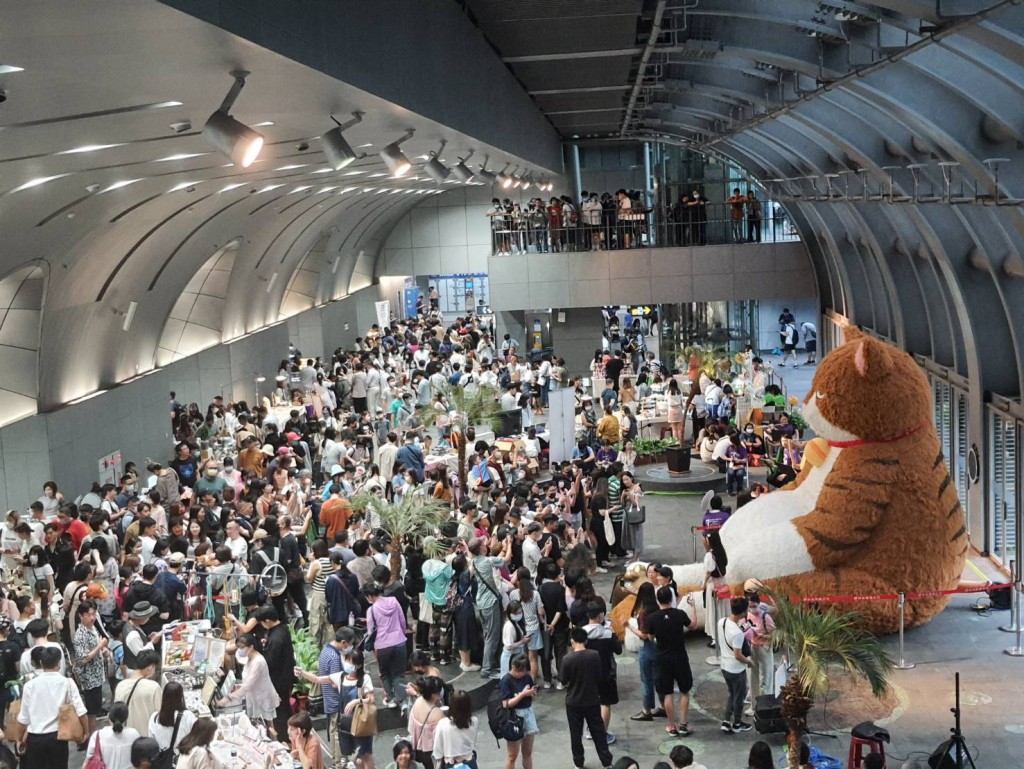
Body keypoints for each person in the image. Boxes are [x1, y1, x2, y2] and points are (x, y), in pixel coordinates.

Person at [17, 645, 87, 767]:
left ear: (41, 663)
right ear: (59, 663)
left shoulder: (29, 686)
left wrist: (19, 739)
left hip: (34, 739)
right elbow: (81, 711)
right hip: (58, 737)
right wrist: (86, 732)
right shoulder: (67, 683)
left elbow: (23, 718)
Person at [561, 626, 613, 769]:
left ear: (572, 641)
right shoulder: (594, 655)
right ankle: (606, 762)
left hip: (573, 702)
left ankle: (579, 763)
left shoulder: (567, 659)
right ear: (586, 641)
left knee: (575, 734)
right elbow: (599, 676)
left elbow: (563, 680)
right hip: (592, 699)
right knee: (598, 732)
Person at [645, 586, 694, 736]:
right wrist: (693, 608)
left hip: (662, 659)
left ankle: (672, 726)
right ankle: (683, 724)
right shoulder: (680, 614)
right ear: (671, 598)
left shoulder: (652, 618)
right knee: (685, 691)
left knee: (667, 693)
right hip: (680, 657)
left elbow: (650, 637)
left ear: (657, 600)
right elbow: (692, 626)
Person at [217, 633, 280, 732]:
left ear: (251, 647)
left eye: (242, 647)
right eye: (238, 647)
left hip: (263, 699)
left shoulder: (258, 662)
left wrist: (227, 699)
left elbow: (247, 685)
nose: (240, 650)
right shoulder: (249, 656)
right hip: (253, 696)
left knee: (266, 727)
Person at [469, 535, 512, 680]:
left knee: (488, 635)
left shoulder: (474, 561)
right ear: (481, 548)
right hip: (490, 603)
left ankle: (492, 664)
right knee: (491, 638)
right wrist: (509, 544)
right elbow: (507, 559)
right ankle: (487, 669)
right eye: (483, 544)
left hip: (481, 602)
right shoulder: (488, 561)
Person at [364, 582, 408, 708]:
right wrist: (402, 633)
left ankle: (390, 698)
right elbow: (402, 620)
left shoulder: (371, 610)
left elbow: (370, 631)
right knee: (399, 673)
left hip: (382, 645)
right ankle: (402, 700)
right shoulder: (394, 601)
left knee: (385, 674)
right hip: (400, 642)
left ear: (370, 596)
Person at [257, 606, 297, 740]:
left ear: (268, 621)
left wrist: (263, 650)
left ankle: (285, 738)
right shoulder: (283, 629)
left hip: (279, 680)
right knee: (284, 708)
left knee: (280, 712)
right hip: (286, 676)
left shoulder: (276, 638)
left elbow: (270, 662)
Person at [72, 599, 109, 741]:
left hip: (97, 675)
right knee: (91, 711)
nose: (92, 617)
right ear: (81, 616)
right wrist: (100, 646)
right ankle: (91, 739)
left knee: (95, 708)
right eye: (89, 614)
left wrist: (103, 650)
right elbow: (83, 659)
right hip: (89, 679)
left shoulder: (92, 628)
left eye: (94, 614)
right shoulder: (80, 635)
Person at [717, 596, 754, 734]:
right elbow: (738, 655)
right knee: (740, 696)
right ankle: (737, 723)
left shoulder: (722, 622)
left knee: (732, 694)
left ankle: (726, 721)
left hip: (724, 666)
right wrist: (749, 662)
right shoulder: (737, 633)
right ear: (743, 612)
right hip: (736, 669)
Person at [626, 582, 661, 722]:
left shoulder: (643, 613)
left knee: (646, 679)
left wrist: (629, 626)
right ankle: (663, 706)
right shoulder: (657, 608)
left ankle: (647, 710)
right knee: (659, 678)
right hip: (660, 647)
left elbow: (644, 635)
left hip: (648, 647)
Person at [499, 654, 539, 769]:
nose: (522, 673)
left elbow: (531, 697)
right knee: (513, 755)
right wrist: (522, 695)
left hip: (528, 713)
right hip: (514, 717)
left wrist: (532, 693)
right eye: (520, 671)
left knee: (528, 752)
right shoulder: (506, 680)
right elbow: (506, 704)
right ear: (513, 667)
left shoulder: (527, 677)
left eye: (525, 671)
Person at [114, 649, 163, 737]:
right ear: (151, 667)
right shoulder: (154, 687)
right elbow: (160, 715)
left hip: (127, 738)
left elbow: (116, 714)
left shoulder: (120, 686)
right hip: (148, 738)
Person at [431, 689, 479, 769]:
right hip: (469, 761)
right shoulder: (474, 721)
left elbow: (437, 749)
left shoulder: (443, 723)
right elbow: (473, 742)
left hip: (450, 763)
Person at [86, 701, 140, 769]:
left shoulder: (98, 735)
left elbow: (88, 759)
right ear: (126, 717)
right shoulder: (134, 734)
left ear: (108, 716)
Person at [148, 680, 196, 755]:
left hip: (163, 758)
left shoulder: (154, 718)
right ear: (181, 697)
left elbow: (152, 742)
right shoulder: (188, 716)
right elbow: (195, 738)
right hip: (183, 758)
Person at [408, 675, 446, 769]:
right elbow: (442, 737)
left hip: (418, 749)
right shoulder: (437, 713)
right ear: (434, 695)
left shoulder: (418, 701)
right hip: (431, 753)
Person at [702, 531, 730, 645]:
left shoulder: (710, 555)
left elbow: (709, 572)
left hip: (713, 585)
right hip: (723, 582)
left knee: (714, 610)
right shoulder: (721, 551)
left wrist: (703, 584)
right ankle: (724, 632)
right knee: (723, 608)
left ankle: (715, 637)